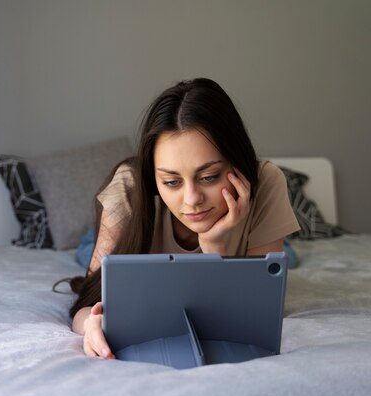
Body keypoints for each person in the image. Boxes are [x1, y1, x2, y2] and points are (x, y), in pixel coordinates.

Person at [65, 78, 300, 359]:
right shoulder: (130, 186)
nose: (192, 200)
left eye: (209, 177)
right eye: (171, 182)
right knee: (86, 252)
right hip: (134, 225)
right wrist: (92, 323)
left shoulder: (266, 182)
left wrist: (215, 247)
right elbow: (87, 303)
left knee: (289, 259)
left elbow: (256, 314)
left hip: (236, 233)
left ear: (238, 163)